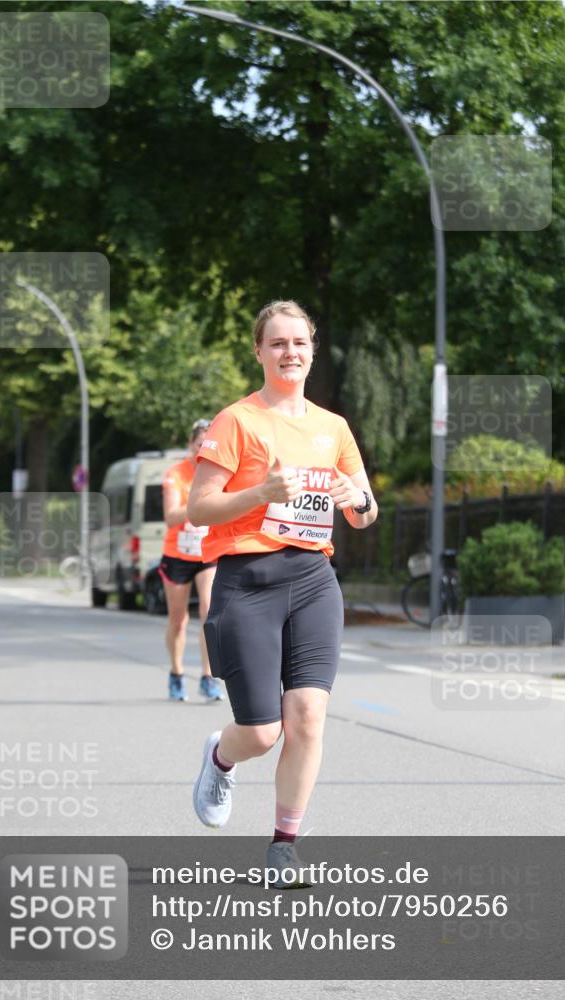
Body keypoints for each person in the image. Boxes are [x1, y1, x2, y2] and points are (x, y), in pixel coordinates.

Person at [188, 300, 377, 886]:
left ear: (312, 350)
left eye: (299, 342)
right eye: (277, 343)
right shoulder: (236, 421)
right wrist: (261, 493)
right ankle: (221, 756)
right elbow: (199, 508)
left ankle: (283, 846)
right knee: (262, 732)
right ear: (259, 352)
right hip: (247, 582)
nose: (289, 352)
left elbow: (366, 512)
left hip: (314, 580)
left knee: (308, 717)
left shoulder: (333, 427)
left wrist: (356, 498)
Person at [160, 419, 225, 703]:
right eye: (200, 444)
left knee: (209, 612)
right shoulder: (176, 474)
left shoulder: (218, 474)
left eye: (208, 445)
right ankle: (176, 673)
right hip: (177, 554)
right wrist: (199, 506)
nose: (203, 450)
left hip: (206, 552)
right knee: (178, 620)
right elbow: (170, 516)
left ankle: (207, 677)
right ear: (191, 445)